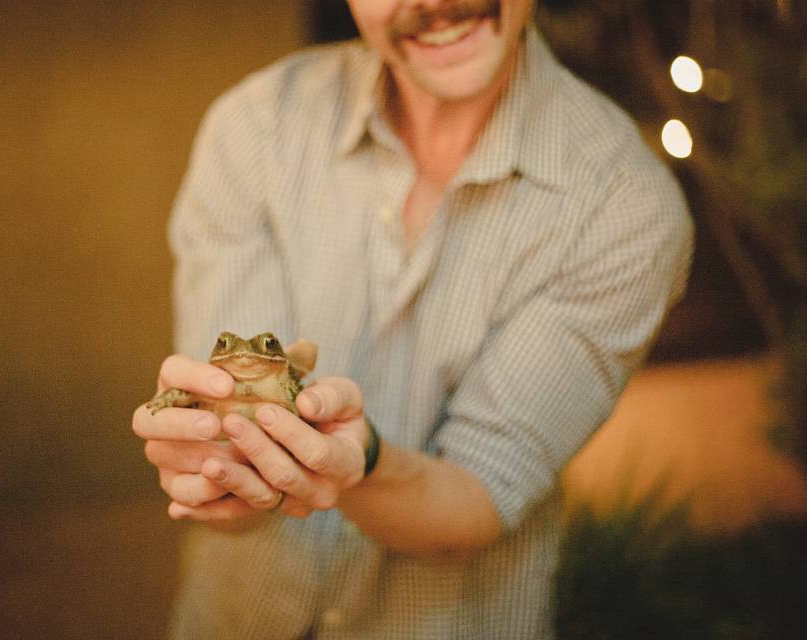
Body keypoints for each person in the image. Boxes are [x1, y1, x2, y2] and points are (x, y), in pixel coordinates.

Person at [132, 0, 694, 637]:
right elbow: (225, 455)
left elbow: (479, 496)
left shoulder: (624, 207)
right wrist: (212, 472)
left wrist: (361, 461)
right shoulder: (252, 128)